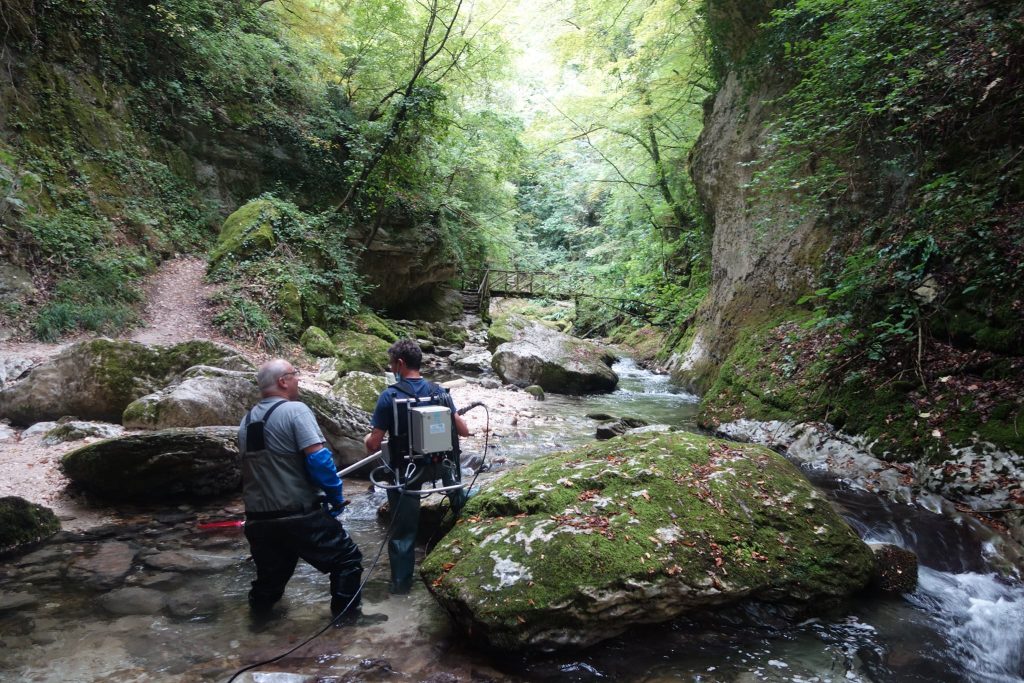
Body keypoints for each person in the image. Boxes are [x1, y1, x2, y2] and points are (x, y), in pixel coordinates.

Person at [239, 358, 379, 624]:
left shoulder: (247, 420)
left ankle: (258, 625)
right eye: (295, 374)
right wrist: (335, 495)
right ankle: (347, 623)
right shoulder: (296, 410)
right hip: (298, 514)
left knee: (271, 577)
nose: (298, 379)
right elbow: (318, 460)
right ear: (282, 381)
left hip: (258, 519)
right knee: (347, 560)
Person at [364, 339, 471, 594]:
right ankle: (464, 513)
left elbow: (374, 444)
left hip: (406, 473)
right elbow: (463, 431)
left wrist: (366, 439)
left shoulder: (390, 396)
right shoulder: (440, 392)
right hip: (442, 467)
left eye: (392, 364)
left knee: (403, 535)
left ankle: (401, 589)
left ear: (400, 364)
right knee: (458, 493)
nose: (392, 368)